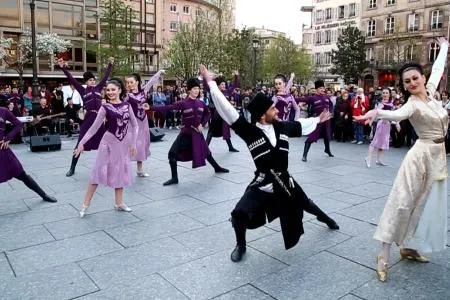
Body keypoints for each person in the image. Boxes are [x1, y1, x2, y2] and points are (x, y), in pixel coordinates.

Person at [200, 65, 339, 263]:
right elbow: (226, 109)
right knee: (239, 213)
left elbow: (301, 125)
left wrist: (318, 119)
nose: (276, 109)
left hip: (284, 180)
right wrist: (210, 82)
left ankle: (325, 218)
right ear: (262, 115)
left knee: (305, 202)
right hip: (264, 183)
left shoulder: (281, 126)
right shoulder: (249, 132)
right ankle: (241, 245)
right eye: (272, 108)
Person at [354, 37, 448, 282]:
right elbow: (397, 115)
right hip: (418, 158)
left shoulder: (434, 96)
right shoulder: (413, 104)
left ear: (423, 78)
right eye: (407, 81)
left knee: (422, 206)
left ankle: (407, 246)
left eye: (415, 78)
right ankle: (383, 255)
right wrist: (376, 113)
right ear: (404, 87)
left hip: (437, 158)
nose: (412, 83)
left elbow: (437, 69)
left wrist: (445, 47)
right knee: (402, 203)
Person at [75, 78, 138, 218]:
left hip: (122, 144)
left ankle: (119, 203)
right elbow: (93, 128)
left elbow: (135, 125)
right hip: (107, 143)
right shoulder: (105, 108)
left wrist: (133, 142)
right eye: (108, 90)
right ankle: (85, 205)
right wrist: (81, 143)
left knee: (120, 171)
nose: (110, 92)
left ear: (120, 90)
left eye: (113, 89)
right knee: (98, 172)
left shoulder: (127, 106)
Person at [152, 77, 229, 186]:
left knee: (207, 153)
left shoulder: (201, 103)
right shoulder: (183, 103)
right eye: (194, 88)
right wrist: (150, 107)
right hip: (185, 134)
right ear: (189, 90)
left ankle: (217, 168)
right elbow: (168, 107)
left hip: (197, 135)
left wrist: (202, 124)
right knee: (172, 154)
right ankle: (174, 178)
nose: (197, 90)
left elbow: (208, 114)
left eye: (198, 88)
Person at [58, 57, 114, 177]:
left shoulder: (99, 88)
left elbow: (105, 77)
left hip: (99, 120)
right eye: (90, 80)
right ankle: (72, 168)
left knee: (105, 144)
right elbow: (71, 79)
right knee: (79, 143)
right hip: (88, 120)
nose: (92, 82)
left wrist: (110, 65)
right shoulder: (82, 90)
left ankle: (108, 167)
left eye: (93, 80)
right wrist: (63, 68)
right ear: (86, 81)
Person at [0, 107, 57, 202]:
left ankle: (43, 195)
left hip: (3, 151)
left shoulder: (3, 111)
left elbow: (18, 124)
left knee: (22, 174)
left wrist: (8, 138)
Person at [125, 70, 165, 177]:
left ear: (137, 82)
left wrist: (159, 73)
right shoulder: (127, 96)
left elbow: (152, 81)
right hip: (132, 123)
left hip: (143, 122)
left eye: (131, 82)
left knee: (141, 145)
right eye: (128, 83)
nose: (129, 84)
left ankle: (139, 170)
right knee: (129, 144)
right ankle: (123, 169)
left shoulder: (143, 91)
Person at [299, 80, 334, 161]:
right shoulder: (313, 98)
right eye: (321, 88)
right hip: (318, 121)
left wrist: (330, 112)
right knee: (311, 137)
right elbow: (302, 99)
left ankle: (327, 150)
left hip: (326, 121)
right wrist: (292, 98)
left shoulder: (327, 97)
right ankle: (304, 155)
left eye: (323, 88)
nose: (323, 89)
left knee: (327, 136)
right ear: (317, 89)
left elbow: (331, 105)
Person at [205, 72, 240, 152]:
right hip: (216, 115)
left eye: (224, 84)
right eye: (222, 84)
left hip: (224, 116)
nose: (224, 86)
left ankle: (230, 147)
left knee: (226, 131)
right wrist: (206, 76)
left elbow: (234, 85)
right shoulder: (214, 92)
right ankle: (205, 147)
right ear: (218, 85)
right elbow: (207, 86)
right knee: (211, 131)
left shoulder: (227, 92)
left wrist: (236, 76)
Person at [364, 88, 395, 167]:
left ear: (389, 94)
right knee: (375, 141)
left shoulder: (391, 103)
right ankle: (368, 158)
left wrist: (397, 123)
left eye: (386, 93)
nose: (385, 94)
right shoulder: (380, 103)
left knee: (383, 142)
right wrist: (371, 121)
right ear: (382, 94)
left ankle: (378, 159)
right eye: (383, 93)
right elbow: (375, 112)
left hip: (387, 124)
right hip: (381, 124)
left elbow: (394, 114)